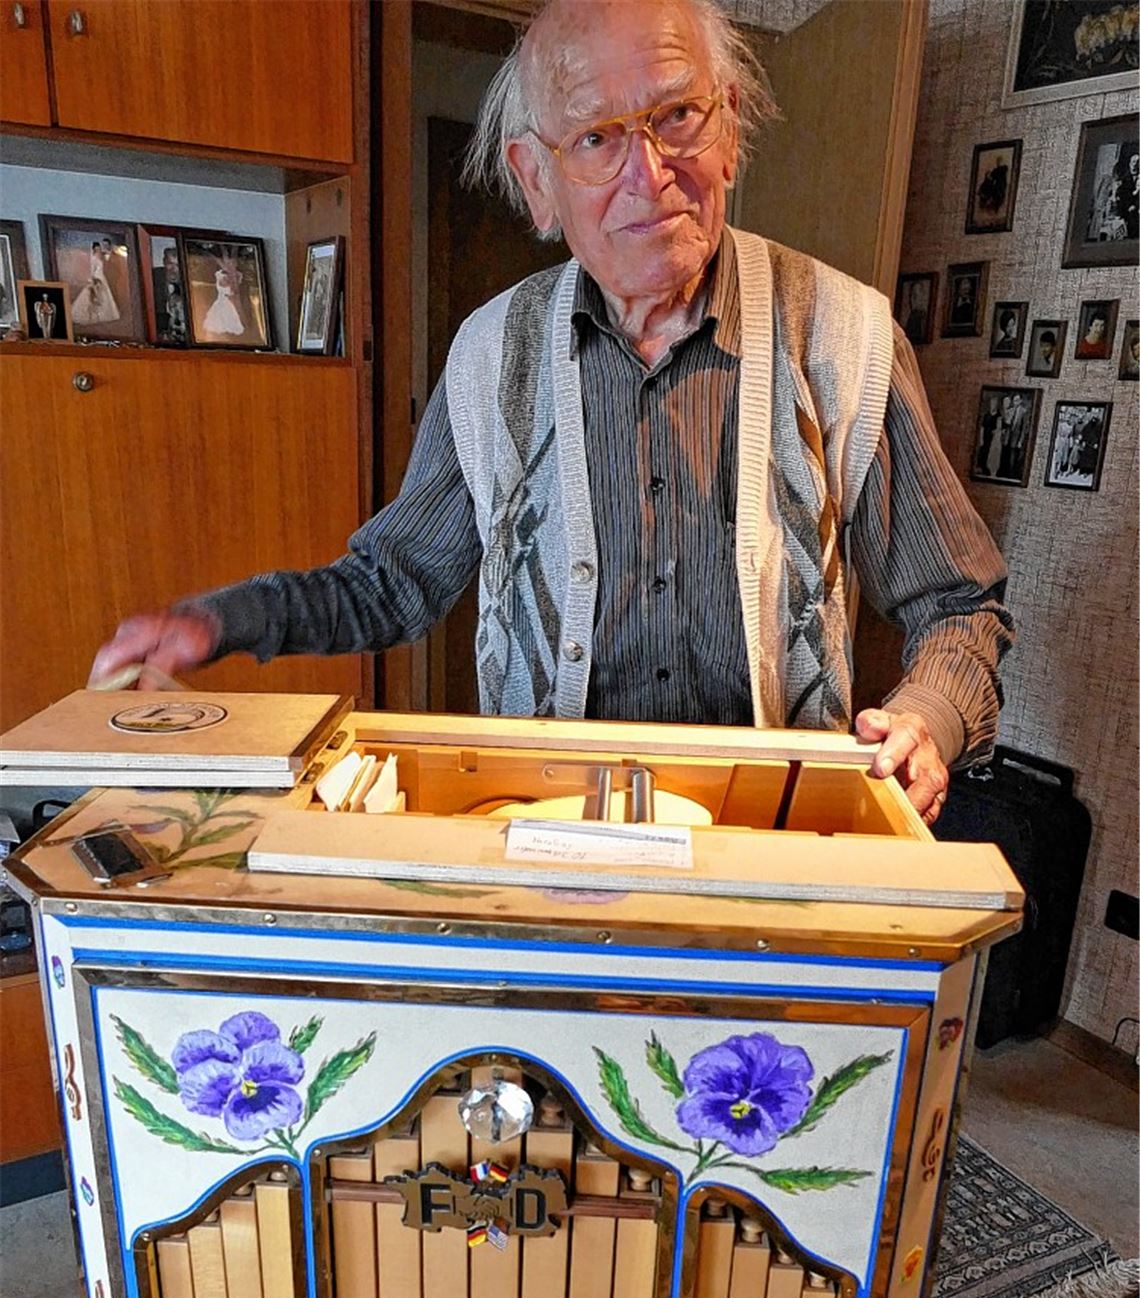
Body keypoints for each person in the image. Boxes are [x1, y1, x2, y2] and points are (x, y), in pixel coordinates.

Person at [88, 0, 1013, 826]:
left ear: (729, 130)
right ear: (537, 179)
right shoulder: (491, 357)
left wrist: (928, 719)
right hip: (545, 830)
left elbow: (959, 600)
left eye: (677, 115)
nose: (648, 174)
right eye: (597, 139)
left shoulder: (847, 335)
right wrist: (217, 622)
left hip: (774, 835)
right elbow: (392, 581)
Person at [70, 239, 119, 327]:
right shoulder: (94, 258)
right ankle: (94, 314)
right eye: (97, 248)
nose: (98, 249)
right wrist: (93, 279)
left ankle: (106, 314)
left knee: (105, 294)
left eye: (99, 248)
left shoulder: (102, 256)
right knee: (96, 294)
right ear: (94, 249)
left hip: (102, 276)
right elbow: (93, 270)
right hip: (97, 277)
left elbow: (108, 256)